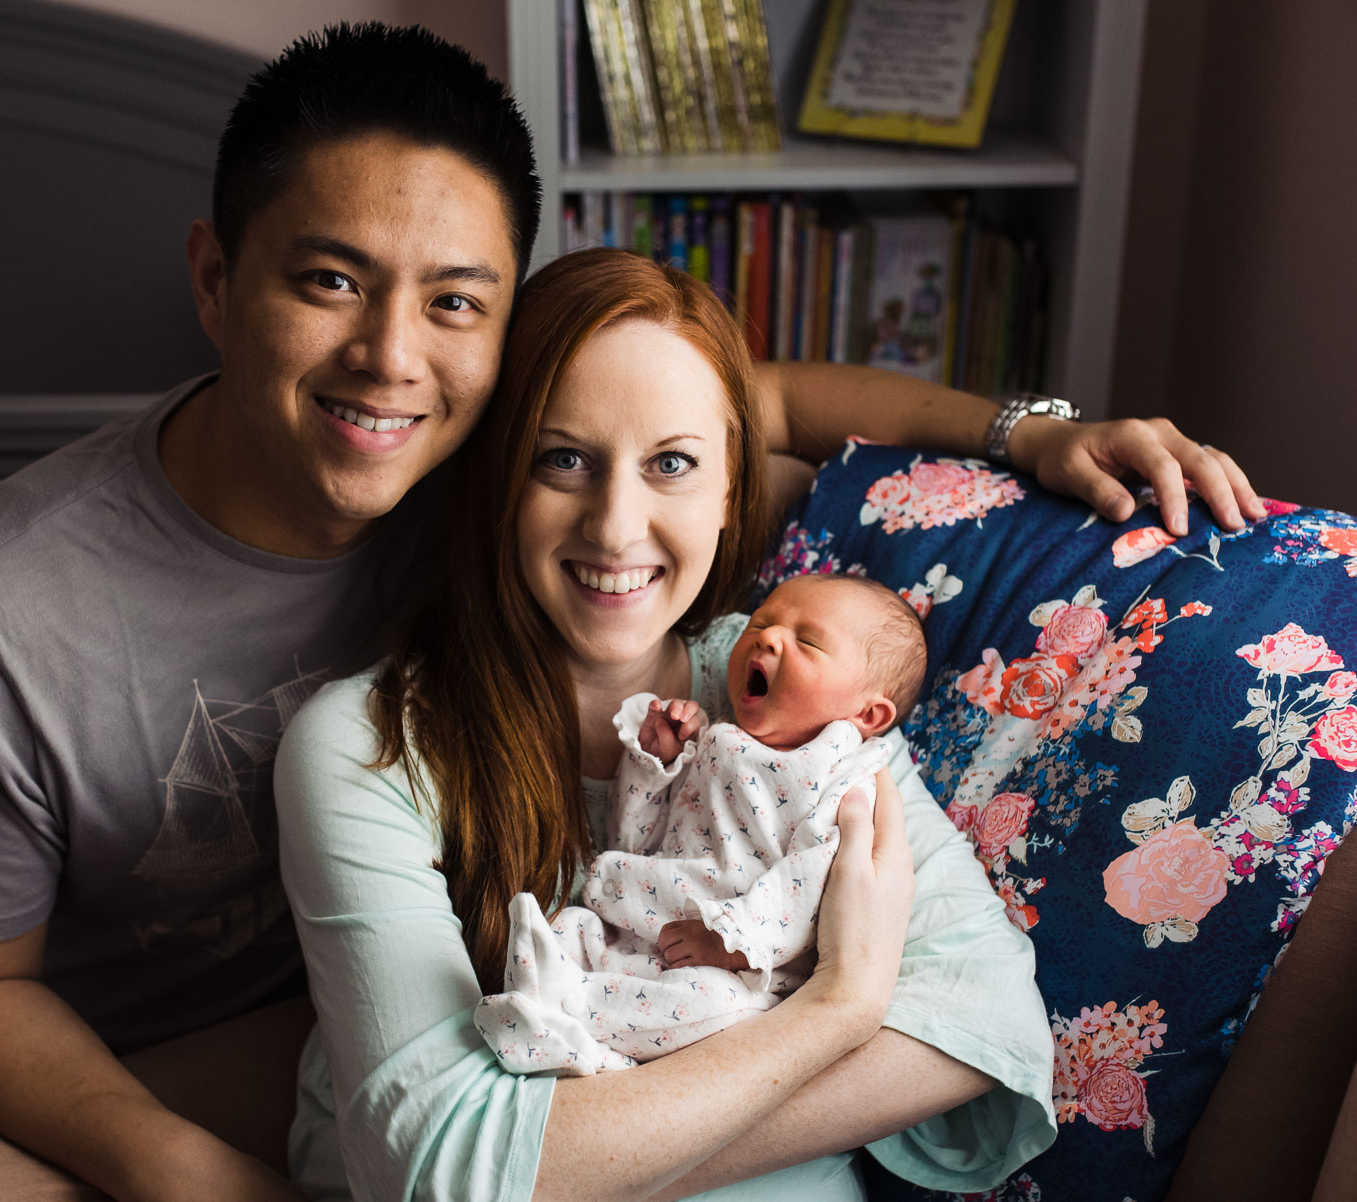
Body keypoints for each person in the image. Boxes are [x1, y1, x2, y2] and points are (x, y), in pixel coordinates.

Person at [0, 22, 1266, 1202]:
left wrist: (1027, 427)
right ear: (218, 280)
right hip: (192, 1052)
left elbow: (727, 398)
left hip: (460, 989)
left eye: (453, 302)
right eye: (328, 278)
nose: (390, 358)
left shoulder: (487, 446)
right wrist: (189, 1174)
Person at [277, 248, 1050, 1202]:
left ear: (732, 493)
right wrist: (842, 1007)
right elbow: (441, 1171)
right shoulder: (364, 746)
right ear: (495, 483)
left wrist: (572, 1158)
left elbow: (987, 1025)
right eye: (563, 460)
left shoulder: (797, 695)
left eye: (672, 464)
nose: (614, 526)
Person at [476, 574, 926, 1076]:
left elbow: (806, 885)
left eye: (807, 641)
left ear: (868, 712)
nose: (768, 637)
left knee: (712, 1005)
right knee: (570, 927)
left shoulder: (841, 781)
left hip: (733, 967)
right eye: (762, 622)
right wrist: (656, 765)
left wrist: (730, 943)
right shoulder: (718, 737)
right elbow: (636, 839)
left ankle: (562, 1021)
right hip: (634, 927)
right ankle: (567, 1026)